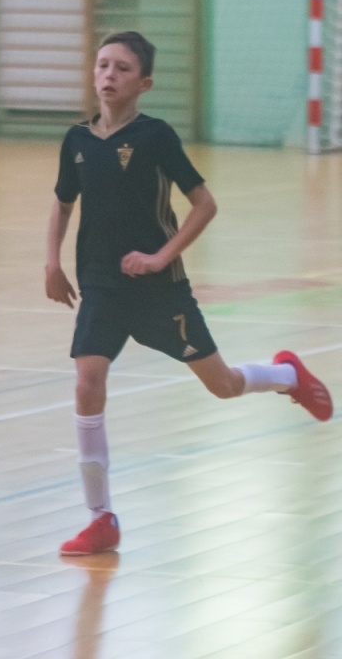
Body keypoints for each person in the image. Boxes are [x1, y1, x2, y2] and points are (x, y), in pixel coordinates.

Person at [45, 31, 331, 556]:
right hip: (102, 287)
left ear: (144, 83)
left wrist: (159, 257)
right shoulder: (77, 141)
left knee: (221, 385)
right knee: (88, 382)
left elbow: (204, 204)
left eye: (122, 68)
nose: (109, 75)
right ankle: (100, 518)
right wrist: (51, 263)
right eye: (103, 65)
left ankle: (287, 374)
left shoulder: (156, 137)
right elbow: (63, 203)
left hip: (160, 290)